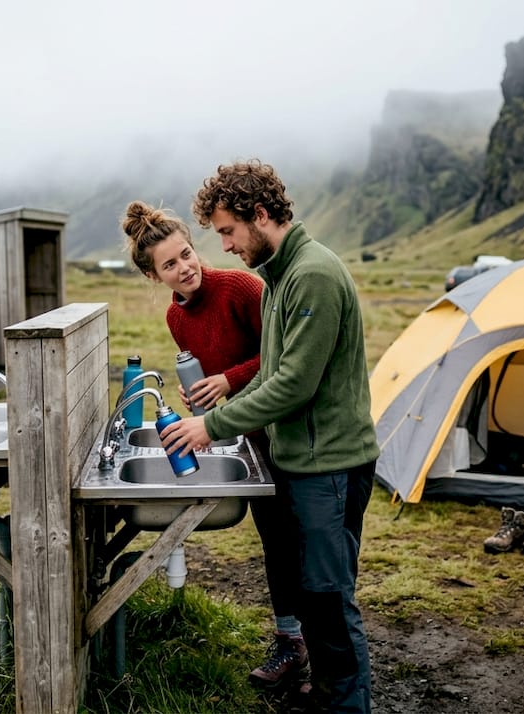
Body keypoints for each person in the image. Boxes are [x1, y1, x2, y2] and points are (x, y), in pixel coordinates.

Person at [160, 159, 380, 713]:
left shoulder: (312, 275)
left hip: (331, 464)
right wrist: (218, 413)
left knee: (330, 602)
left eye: (229, 231)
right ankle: (328, 696)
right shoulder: (280, 278)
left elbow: (293, 385)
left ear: (259, 215)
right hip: (305, 459)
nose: (225, 246)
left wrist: (212, 424)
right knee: (314, 595)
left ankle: (346, 705)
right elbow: (270, 372)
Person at [120, 200, 309, 690]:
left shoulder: (241, 288)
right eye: (169, 265)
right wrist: (200, 392)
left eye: (186, 254)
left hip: (288, 430)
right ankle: (291, 640)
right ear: (153, 275)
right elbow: (206, 369)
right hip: (247, 435)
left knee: (305, 539)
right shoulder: (176, 317)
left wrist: (227, 380)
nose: (185, 268)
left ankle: (322, 644)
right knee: (274, 538)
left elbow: (284, 358)